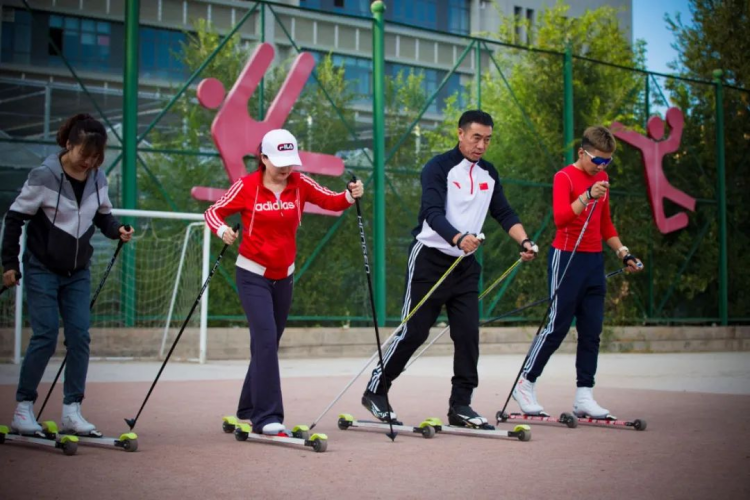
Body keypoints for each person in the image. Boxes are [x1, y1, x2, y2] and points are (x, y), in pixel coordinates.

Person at [362, 110, 538, 429]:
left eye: (487, 139)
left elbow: (504, 212)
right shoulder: (438, 167)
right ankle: (376, 390)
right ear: (460, 134)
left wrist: (524, 241)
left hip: (465, 267)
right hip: (429, 259)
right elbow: (431, 212)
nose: (482, 145)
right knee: (413, 333)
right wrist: (458, 238)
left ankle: (461, 405)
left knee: (468, 334)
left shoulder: (489, 173)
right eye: (476, 137)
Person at [204, 129, 364, 436]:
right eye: (278, 161)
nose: (286, 167)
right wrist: (222, 230)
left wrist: (348, 194)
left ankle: (247, 409)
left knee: (268, 344)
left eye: (290, 160)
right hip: (252, 275)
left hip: (284, 276)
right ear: (263, 158)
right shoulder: (246, 186)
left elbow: (331, 201)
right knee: (265, 342)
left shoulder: (300, 183)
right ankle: (267, 418)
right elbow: (213, 212)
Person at [2, 113, 133, 435]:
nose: (88, 162)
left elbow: (103, 217)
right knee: (45, 335)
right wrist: (9, 264)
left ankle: (72, 411)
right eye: (83, 154)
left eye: (96, 157)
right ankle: (23, 409)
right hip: (42, 269)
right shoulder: (43, 176)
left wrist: (118, 230)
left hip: (78, 272)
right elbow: (14, 219)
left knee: (79, 337)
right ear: (68, 144)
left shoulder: (97, 178)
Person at [512, 126, 644, 419]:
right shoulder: (564, 177)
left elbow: (605, 224)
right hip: (566, 258)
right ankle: (525, 383)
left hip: (594, 261)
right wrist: (586, 195)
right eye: (598, 161)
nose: (602, 167)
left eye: (607, 162)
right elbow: (560, 218)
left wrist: (624, 253)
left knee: (592, 330)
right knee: (556, 327)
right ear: (582, 152)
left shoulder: (603, 178)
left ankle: (584, 395)